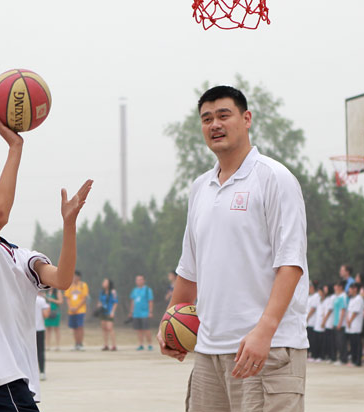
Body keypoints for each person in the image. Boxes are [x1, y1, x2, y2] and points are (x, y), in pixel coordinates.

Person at [158, 86, 309, 411]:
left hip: (267, 350)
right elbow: (189, 268)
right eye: (207, 118)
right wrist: (169, 323)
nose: (215, 124)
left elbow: (291, 263)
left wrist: (264, 331)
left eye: (224, 115)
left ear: (246, 118)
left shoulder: (274, 178)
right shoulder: (201, 188)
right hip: (209, 352)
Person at [0, 111, 92, 411]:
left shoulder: (19, 255)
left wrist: (69, 224)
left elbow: (62, 279)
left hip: (15, 378)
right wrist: (15, 147)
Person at [64, 271, 90, 351]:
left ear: (79, 277)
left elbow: (84, 298)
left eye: (75, 276)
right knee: (74, 328)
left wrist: (77, 307)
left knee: (80, 327)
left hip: (80, 310)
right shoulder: (70, 285)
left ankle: (80, 343)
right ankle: (76, 343)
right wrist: (70, 307)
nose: (73, 278)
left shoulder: (83, 285)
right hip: (72, 311)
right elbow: (67, 297)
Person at [129, 274, 154, 351]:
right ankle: (140, 344)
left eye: (140, 279)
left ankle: (150, 344)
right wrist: (131, 312)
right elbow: (132, 302)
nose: (139, 281)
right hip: (136, 313)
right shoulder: (134, 290)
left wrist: (150, 312)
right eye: (137, 280)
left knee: (146, 329)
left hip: (145, 313)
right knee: (139, 329)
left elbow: (150, 301)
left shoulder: (147, 290)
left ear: (144, 280)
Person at [346, 282, 364, 367]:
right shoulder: (351, 299)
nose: (349, 291)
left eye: (350, 289)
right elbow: (349, 311)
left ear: (355, 289)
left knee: (357, 344)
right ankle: (353, 360)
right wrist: (348, 320)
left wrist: (350, 320)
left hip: (356, 325)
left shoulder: (359, 299)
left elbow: (355, 312)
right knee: (352, 344)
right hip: (350, 325)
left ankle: (357, 361)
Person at [97, 278, 118, 351]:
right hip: (103, 312)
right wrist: (98, 307)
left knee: (110, 328)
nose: (103, 283)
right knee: (104, 328)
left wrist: (112, 311)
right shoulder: (102, 292)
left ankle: (114, 345)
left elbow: (115, 303)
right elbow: (100, 301)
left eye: (105, 282)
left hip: (109, 312)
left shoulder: (113, 291)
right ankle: (106, 345)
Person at [332, 281, 348, 365]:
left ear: (340, 287)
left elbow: (343, 310)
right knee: (338, 341)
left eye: (337, 287)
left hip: (340, 323)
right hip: (335, 322)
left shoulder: (343, 297)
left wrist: (340, 322)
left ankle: (343, 358)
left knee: (342, 341)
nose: (335, 288)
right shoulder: (337, 297)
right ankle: (340, 357)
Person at [35, 292, 50, 381]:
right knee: (40, 351)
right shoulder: (41, 300)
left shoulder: (24, 297)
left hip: (27, 330)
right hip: (39, 328)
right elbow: (46, 315)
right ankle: (42, 372)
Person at [306, 281, 320, 361]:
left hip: (312, 321)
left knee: (313, 339)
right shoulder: (309, 296)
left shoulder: (316, 296)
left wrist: (307, 317)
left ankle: (314, 354)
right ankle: (309, 354)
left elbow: (313, 308)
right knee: (309, 338)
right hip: (308, 322)